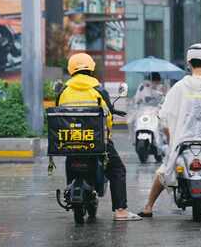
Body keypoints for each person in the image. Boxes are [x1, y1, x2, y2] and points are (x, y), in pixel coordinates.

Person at [138, 43, 201, 217]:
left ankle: (148, 206)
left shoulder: (178, 87)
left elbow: (163, 115)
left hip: (182, 142)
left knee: (164, 171)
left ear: (188, 63)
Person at [57, 53, 141, 221]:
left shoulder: (63, 91)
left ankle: (71, 183)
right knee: (117, 170)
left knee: (70, 157)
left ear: (71, 69)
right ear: (91, 68)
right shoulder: (98, 89)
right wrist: (107, 134)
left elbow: (59, 115)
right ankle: (120, 210)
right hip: (96, 142)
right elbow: (108, 117)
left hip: (70, 140)